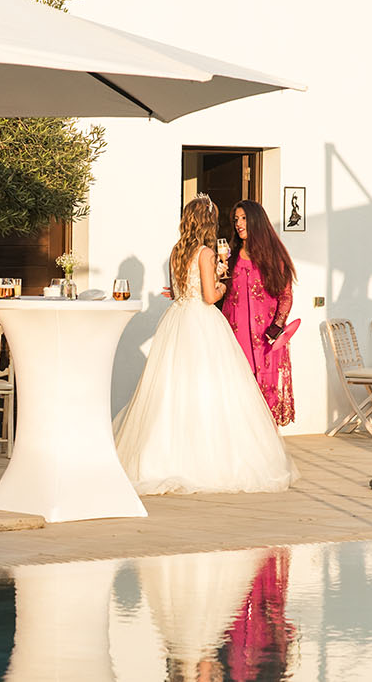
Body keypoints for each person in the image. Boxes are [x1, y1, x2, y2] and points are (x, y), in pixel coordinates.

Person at [114, 194, 296, 494]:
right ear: (208, 222)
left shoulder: (176, 251)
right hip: (203, 321)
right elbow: (210, 297)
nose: (232, 224)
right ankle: (210, 454)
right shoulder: (207, 253)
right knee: (212, 387)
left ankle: (164, 455)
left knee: (174, 387)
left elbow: (178, 291)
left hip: (178, 320)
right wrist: (221, 283)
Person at [220, 200, 296, 426]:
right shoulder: (230, 256)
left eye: (244, 218)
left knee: (265, 396)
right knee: (239, 392)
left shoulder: (273, 257)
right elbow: (216, 288)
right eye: (236, 219)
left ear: (256, 221)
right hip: (235, 336)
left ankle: (267, 443)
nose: (238, 224)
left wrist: (277, 326)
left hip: (265, 339)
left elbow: (286, 295)